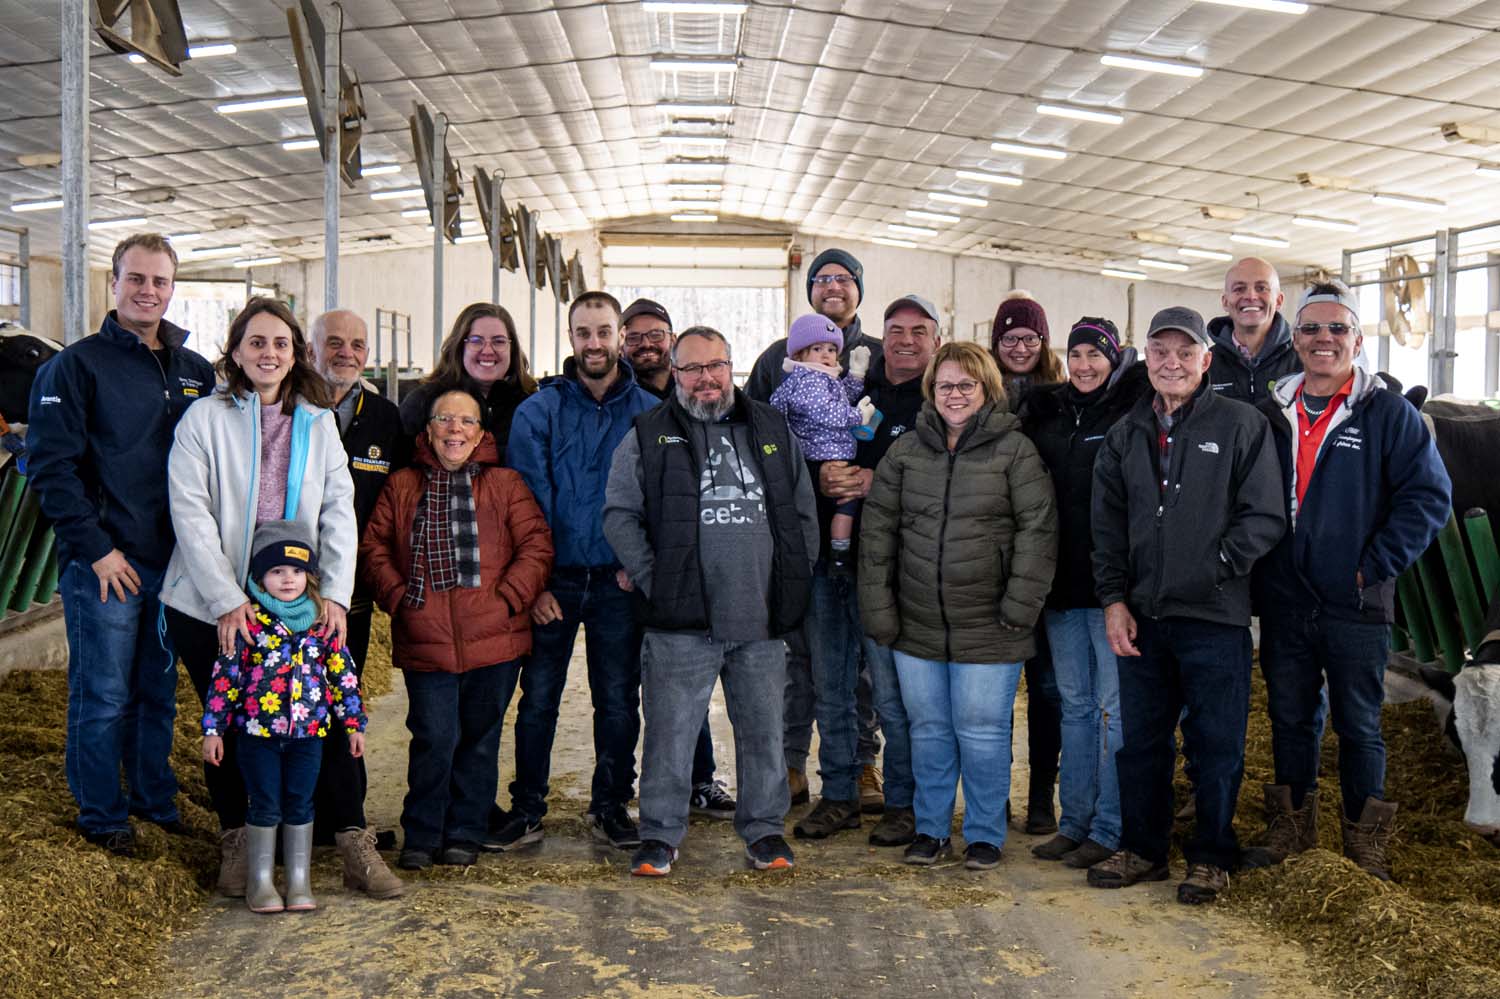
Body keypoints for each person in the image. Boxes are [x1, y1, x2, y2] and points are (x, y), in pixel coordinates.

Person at [1246, 281, 1450, 880]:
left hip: (1356, 600)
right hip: (1285, 598)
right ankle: (1292, 827)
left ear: (1357, 339)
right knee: (1289, 715)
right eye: (1311, 329)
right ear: (1296, 339)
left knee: (1358, 722)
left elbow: (1428, 497)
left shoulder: (1388, 414)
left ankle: (1364, 840)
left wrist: (1372, 565)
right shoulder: (1270, 413)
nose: (1323, 339)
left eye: (1337, 329)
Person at [604, 326, 820, 875]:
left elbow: (801, 513)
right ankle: (659, 835)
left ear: (733, 368)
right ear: (675, 374)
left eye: (717, 366)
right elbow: (620, 515)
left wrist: (793, 579)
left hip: (761, 615)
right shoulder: (649, 433)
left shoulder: (771, 427)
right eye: (693, 368)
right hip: (683, 620)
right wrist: (656, 580)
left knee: (763, 731)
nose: (706, 378)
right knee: (671, 733)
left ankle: (766, 832)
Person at [1087, 306, 1285, 905]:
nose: (1171, 362)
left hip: (1214, 616)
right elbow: (1108, 526)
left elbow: (1265, 515)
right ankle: (1143, 849)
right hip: (1144, 616)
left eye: (1184, 351)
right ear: (1145, 358)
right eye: (1160, 351)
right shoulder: (1127, 433)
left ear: (1207, 358)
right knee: (1141, 739)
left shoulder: (1241, 425)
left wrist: (1215, 568)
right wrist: (1115, 599)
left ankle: (1209, 855)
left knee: (1216, 742)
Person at [26, 233, 215, 856]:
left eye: (160, 281)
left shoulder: (195, 371)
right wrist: (96, 549)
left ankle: (154, 803)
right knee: (103, 693)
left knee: (157, 691)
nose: (148, 291)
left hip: (176, 562)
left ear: (172, 287)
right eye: (136, 278)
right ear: (114, 282)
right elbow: (50, 468)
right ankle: (103, 816)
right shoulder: (74, 367)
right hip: (107, 561)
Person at [162, 296, 357, 897]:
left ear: (296, 352)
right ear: (237, 351)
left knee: (305, 723)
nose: (268, 353)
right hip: (208, 603)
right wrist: (226, 598)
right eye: (256, 342)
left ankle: (325, 840)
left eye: (280, 343)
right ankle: (237, 842)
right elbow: (189, 512)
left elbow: (338, 509)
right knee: (232, 723)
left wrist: (337, 597)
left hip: (297, 606)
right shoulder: (204, 419)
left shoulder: (318, 421)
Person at [859, 341, 1058, 871]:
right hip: (918, 620)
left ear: (987, 389)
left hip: (991, 623)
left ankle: (985, 834)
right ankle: (930, 829)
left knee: (983, 729)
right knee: (927, 729)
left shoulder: (1014, 452)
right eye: (945, 385)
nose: (955, 395)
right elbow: (877, 536)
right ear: (931, 389)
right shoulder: (904, 453)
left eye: (966, 385)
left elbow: (1038, 532)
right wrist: (880, 609)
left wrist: (1020, 607)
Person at [361, 388, 554, 869]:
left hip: (495, 638)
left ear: (482, 433)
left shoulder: (505, 484)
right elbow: (373, 547)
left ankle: (464, 831)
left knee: (480, 738)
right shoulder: (403, 484)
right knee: (433, 737)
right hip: (426, 635)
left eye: (466, 421)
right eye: (444, 419)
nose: (455, 430)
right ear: (427, 430)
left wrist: (508, 599)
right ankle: (423, 834)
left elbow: (536, 545)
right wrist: (400, 599)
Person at [498, 291, 659, 850]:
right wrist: (535, 581)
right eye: (583, 332)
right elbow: (524, 504)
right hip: (556, 581)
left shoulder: (649, 412)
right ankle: (527, 807)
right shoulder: (538, 411)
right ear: (571, 339)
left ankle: (611, 805)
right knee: (539, 696)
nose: (595, 343)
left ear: (620, 337)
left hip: (618, 580)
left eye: (604, 332)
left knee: (617, 698)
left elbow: (661, 500)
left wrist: (640, 567)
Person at [746, 247, 885, 814]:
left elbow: (888, 425)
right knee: (798, 655)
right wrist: (811, 471)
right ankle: (791, 762)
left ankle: (863, 765)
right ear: (809, 290)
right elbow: (756, 438)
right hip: (798, 533)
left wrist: (867, 475)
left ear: (858, 288)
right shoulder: (778, 359)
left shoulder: (876, 356)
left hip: (866, 532)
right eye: (822, 278)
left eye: (843, 278)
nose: (833, 285)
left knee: (861, 663)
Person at [1019, 318, 1150, 871]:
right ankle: (1073, 822)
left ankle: (1111, 827)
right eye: (1076, 354)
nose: (1086, 364)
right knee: (1072, 705)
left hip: (1110, 588)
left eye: (1097, 354)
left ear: (1115, 358)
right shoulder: (1048, 410)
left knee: (1111, 711)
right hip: (1059, 584)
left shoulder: (1129, 410)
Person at [815, 294, 942, 848]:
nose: (906, 340)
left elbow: (951, 482)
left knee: (892, 694)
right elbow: (807, 440)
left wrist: (876, 483)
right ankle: (838, 795)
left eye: (919, 331)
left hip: (892, 569)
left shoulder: (942, 404)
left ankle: (902, 803)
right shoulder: (851, 389)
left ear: (936, 339)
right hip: (829, 559)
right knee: (831, 686)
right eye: (896, 329)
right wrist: (820, 477)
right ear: (880, 336)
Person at [201, 521, 368, 913]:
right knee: (263, 803)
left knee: (300, 802)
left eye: (296, 571)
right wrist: (214, 730)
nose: (288, 579)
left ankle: (298, 881)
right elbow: (225, 680)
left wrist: (354, 724)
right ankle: (260, 883)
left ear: (310, 575)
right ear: (260, 577)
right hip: (258, 735)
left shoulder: (323, 623)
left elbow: (344, 678)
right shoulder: (250, 623)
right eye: (277, 571)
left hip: (309, 736)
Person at [621, 297, 737, 819]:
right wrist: (642, 565)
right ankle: (621, 791)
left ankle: (700, 779)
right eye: (635, 335)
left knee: (688, 680)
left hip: (688, 575)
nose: (646, 343)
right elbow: (621, 500)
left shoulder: (713, 406)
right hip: (634, 566)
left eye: (656, 334)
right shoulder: (623, 402)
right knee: (627, 692)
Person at [308, 308, 408, 898]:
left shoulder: (386, 418)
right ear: (311, 348)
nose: (346, 353)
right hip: (282, 594)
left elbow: (393, 506)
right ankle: (290, 819)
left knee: (344, 706)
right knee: (282, 702)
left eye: (357, 345)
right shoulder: (285, 407)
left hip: (352, 597)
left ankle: (347, 822)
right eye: (334, 343)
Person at [989, 289, 1065, 833]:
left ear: (1043, 342)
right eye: (1010, 338)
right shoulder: (981, 399)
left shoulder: (1062, 398)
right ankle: (995, 798)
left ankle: (1041, 794)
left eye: (1029, 338)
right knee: (992, 691)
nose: (1019, 347)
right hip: (992, 559)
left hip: (1050, 560)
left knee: (1048, 688)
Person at [770, 313, 874, 577]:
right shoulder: (809, 381)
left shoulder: (821, 377)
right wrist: (858, 416)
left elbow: (840, 397)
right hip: (822, 453)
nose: (826, 354)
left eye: (831, 349)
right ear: (801, 354)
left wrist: (857, 375)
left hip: (828, 452)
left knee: (843, 504)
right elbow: (829, 412)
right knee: (844, 502)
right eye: (818, 349)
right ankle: (837, 555)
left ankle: (837, 553)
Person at [398, 302, 538, 464]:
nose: (487, 351)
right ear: (459, 346)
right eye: (476, 341)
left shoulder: (531, 408)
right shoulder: (422, 403)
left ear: (512, 349)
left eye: (498, 341)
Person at [1208, 258, 1300, 404]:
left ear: (1279, 300)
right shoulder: (1206, 365)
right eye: (1239, 289)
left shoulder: (1302, 362)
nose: (1250, 296)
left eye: (1261, 288)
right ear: (1225, 302)